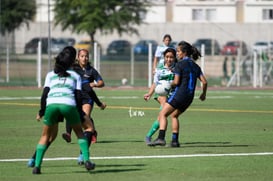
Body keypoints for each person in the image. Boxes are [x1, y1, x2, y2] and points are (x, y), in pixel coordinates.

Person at [31, 46, 95, 174]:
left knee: (45, 136)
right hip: (68, 105)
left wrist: (41, 111)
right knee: (81, 132)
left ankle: (37, 166)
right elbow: (78, 96)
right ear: (72, 62)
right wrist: (80, 113)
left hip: (51, 105)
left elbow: (44, 95)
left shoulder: (50, 75)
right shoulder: (75, 76)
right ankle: (87, 160)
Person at [151, 41, 207, 146]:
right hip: (189, 97)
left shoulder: (180, 64)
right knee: (174, 115)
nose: (177, 53)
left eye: (178, 51)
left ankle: (161, 138)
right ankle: (175, 141)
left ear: (184, 52)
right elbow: (204, 82)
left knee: (163, 114)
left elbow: (176, 82)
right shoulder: (196, 66)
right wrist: (203, 94)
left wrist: (168, 86)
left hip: (179, 94)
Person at [61, 48, 105, 164]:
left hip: (87, 98)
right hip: (76, 97)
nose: (84, 58)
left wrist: (94, 84)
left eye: (86, 56)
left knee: (85, 118)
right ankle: (68, 133)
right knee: (74, 116)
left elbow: (101, 82)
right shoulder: (73, 69)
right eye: (82, 56)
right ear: (78, 58)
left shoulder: (91, 71)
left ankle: (82, 154)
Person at [144, 48, 180, 147]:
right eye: (167, 57)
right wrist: (149, 94)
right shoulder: (160, 68)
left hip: (173, 95)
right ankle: (153, 137)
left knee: (162, 116)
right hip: (161, 95)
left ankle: (150, 136)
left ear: (174, 58)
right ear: (164, 57)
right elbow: (155, 83)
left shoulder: (178, 68)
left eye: (171, 57)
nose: (169, 59)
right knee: (163, 115)